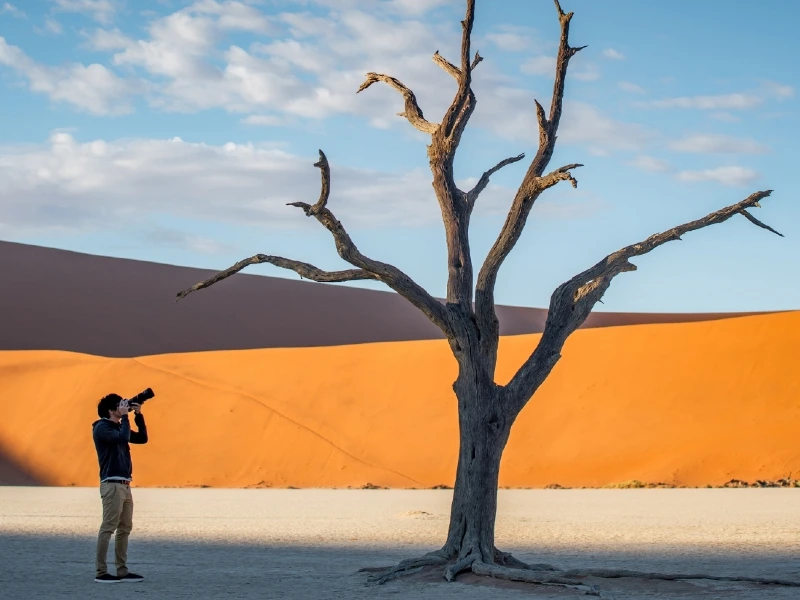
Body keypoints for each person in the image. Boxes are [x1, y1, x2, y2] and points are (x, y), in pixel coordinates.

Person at [92, 393, 149, 583]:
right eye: (119, 405)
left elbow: (142, 438)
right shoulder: (102, 427)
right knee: (108, 527)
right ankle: (101, 572)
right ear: (110, 410)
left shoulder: (117, 426)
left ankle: (122, 571)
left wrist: (138, 415)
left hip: (125, 484)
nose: (123, 406)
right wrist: (125, 416)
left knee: (125, 528)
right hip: (112, 484)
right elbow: (122, 437)